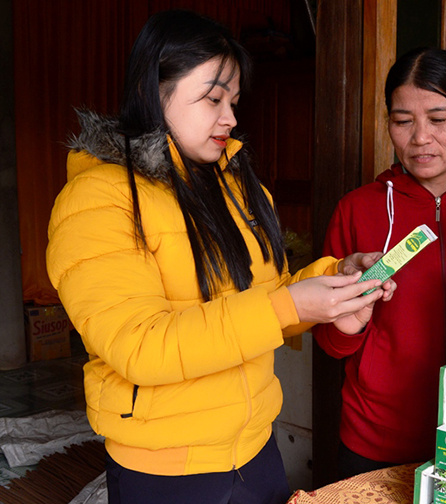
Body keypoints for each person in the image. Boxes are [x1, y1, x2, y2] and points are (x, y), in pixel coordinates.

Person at [46, 10, 393, 504]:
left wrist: (333, 284)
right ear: (153, 91)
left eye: (232, 100)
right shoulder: (100, 199)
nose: (230, 117)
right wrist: (291, 306)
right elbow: (140, 345)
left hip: (257, 452)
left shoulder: (240, 190)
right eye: (212, 98)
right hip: (168, 473)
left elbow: (261, 304)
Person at [312, 47, 446, 478]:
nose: (420, 138)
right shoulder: (357, 209)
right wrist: (350, 319)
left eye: (438, 119)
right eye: (402, 121)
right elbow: (331, 344)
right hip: (375, 437)